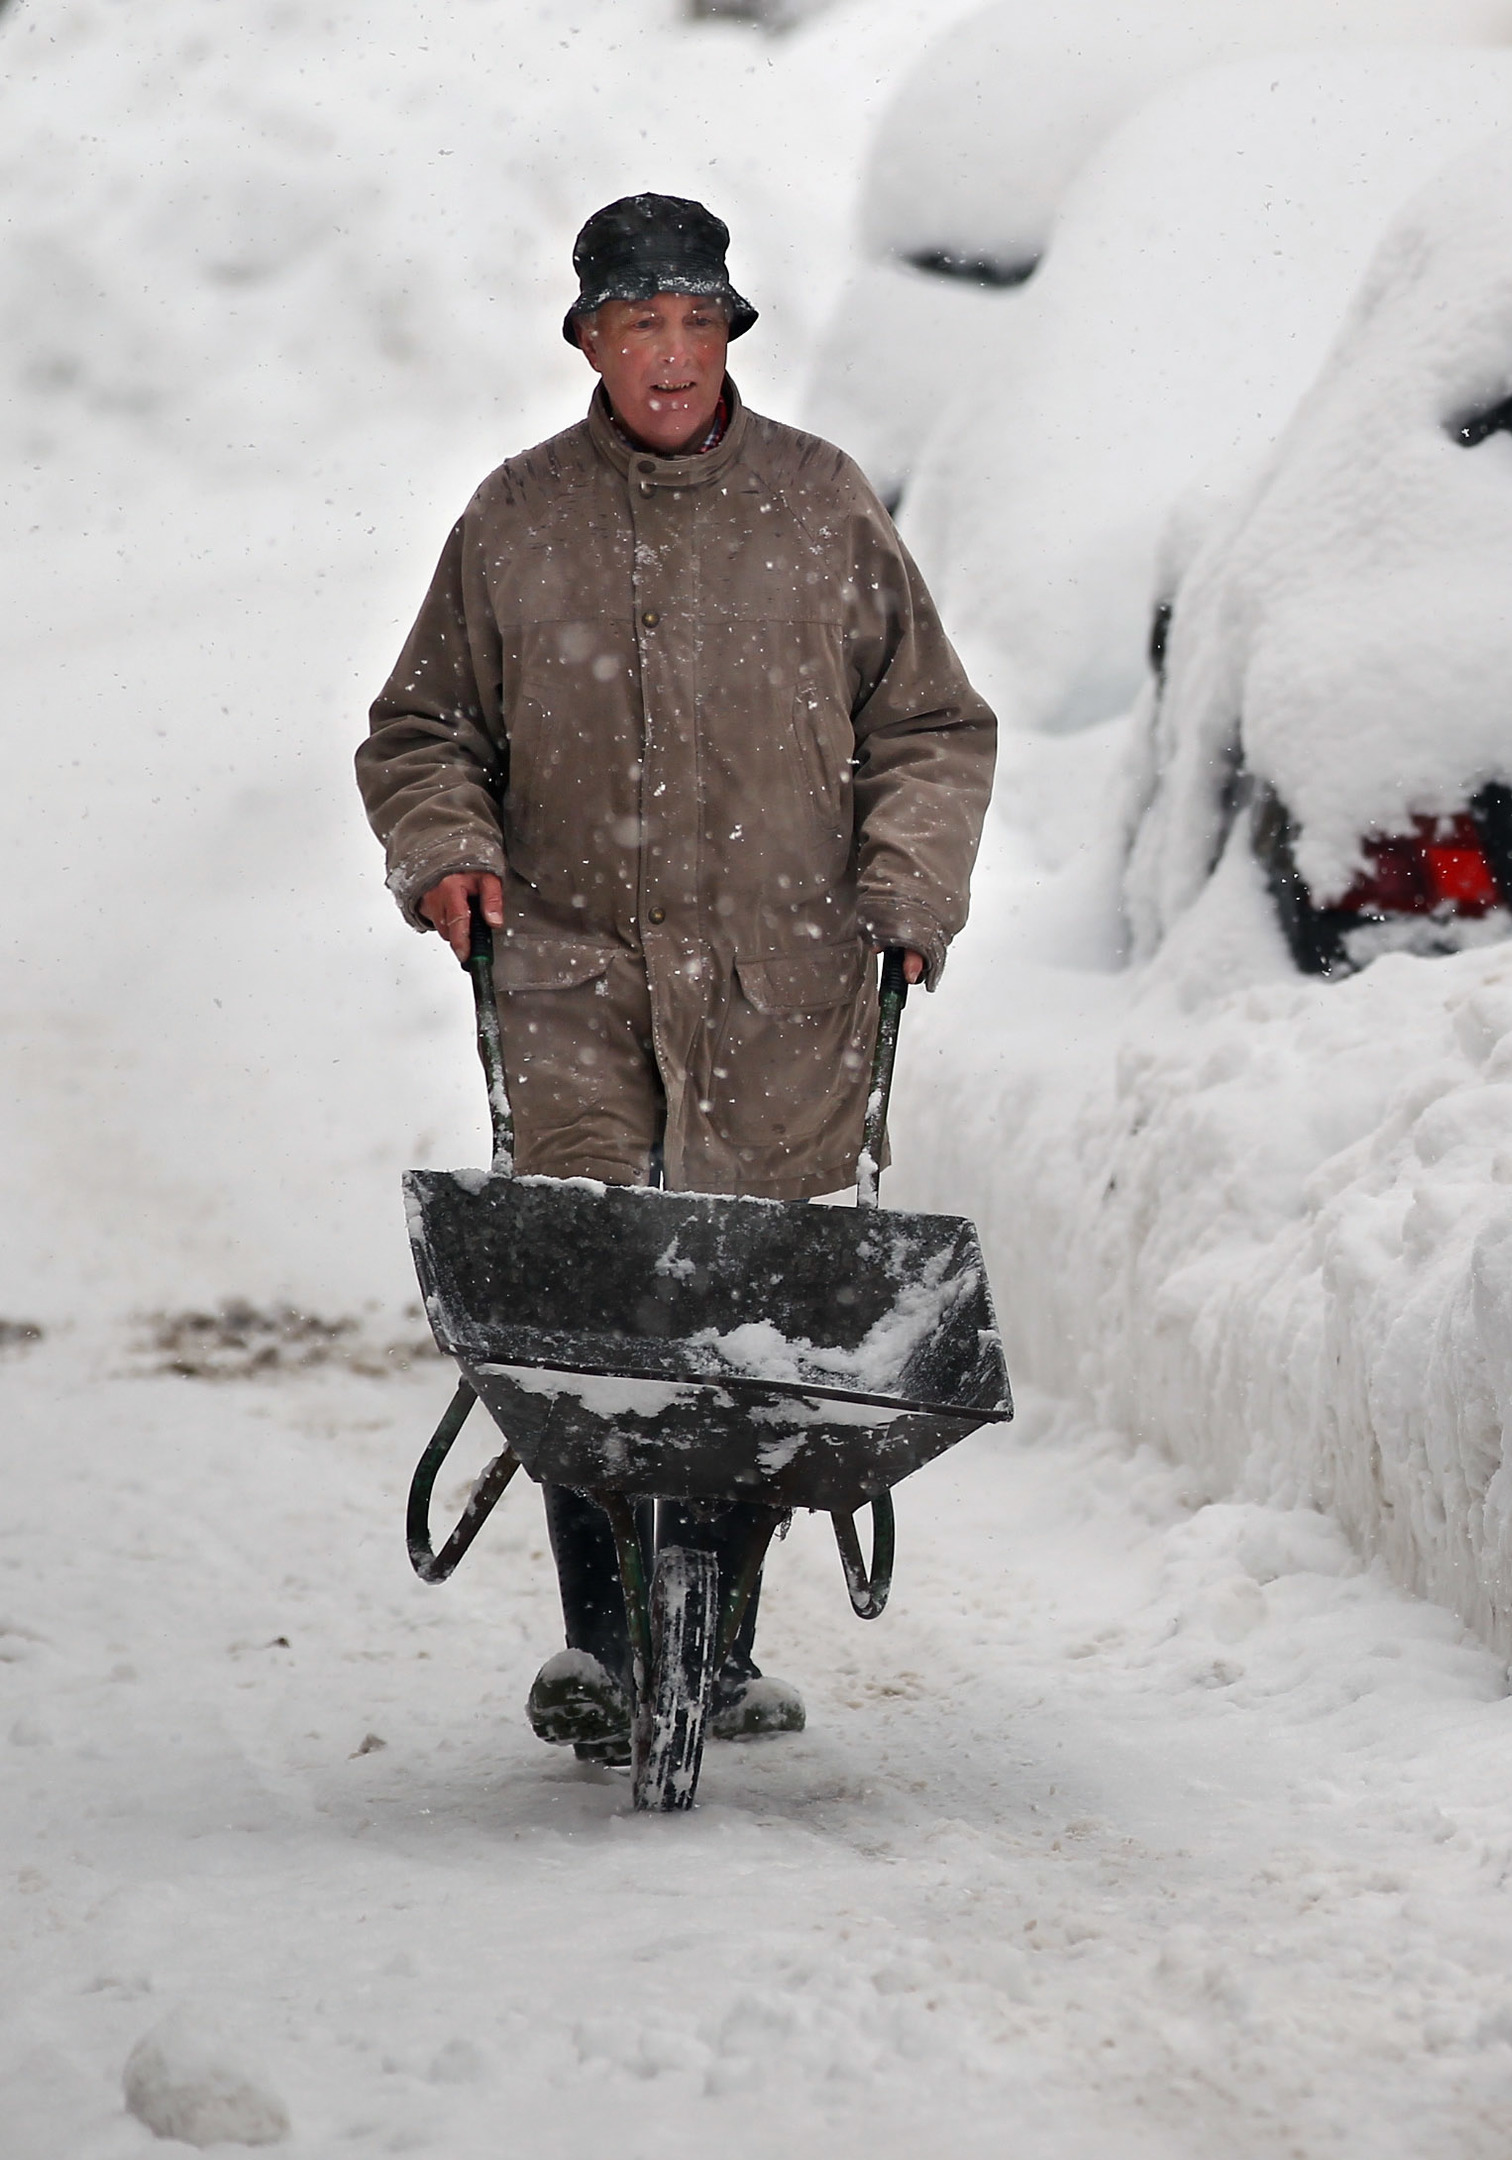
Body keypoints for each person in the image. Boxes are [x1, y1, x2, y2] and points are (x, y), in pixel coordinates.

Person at [358, 196, 997, 1757]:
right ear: (588, 340)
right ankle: (604, 1645)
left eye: (695, 325)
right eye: (638, 326)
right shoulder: (517, 521)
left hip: (786, 990)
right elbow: (422, 731)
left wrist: (907, 885)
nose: (668, 357)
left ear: (728, 335)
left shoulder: (819, 504)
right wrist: (447, 849)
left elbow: (929, 731)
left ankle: (712, 1648)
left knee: (745, 1324)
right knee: (594, 1312)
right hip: (568, 978)